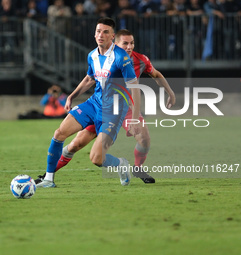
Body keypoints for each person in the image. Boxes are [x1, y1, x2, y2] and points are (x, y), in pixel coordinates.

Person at [35, 29, 176, 185]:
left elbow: (156, 74)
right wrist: (72, 95)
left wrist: (170, 93)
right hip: (101, 106)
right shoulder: (104, 58)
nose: (129, 47)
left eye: (132, 43)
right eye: (125, 43)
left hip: (125, 108)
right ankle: (48, 176)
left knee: (145, 139)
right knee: (75, 144)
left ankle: (138, 168)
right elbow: (90, 78)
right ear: (116, 44)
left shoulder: (140, 60)